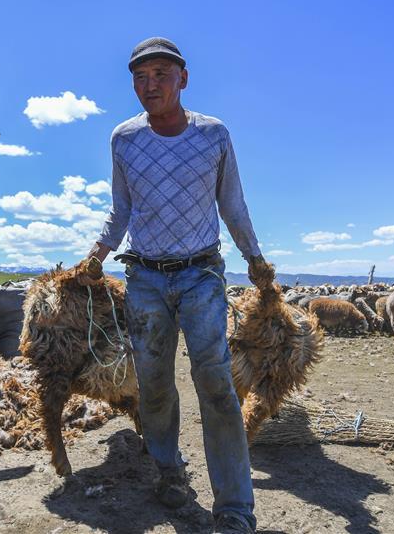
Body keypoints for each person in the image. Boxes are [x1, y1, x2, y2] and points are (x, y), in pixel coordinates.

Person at [84, 37, 267, 534]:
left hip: (202, 274)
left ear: (183, 78)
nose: (150, 85)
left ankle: (234, 508)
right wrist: (96, 255)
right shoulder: (124, 138)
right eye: (141, 78)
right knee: (155, 385)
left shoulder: (213, 135)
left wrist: (255, 258)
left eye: (161, 75)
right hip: (143, 277)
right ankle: (170, 472)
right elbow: (121, 209)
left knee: (216, 383)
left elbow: (232, 203)